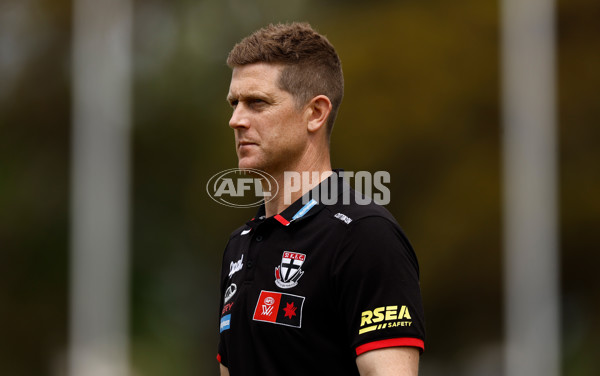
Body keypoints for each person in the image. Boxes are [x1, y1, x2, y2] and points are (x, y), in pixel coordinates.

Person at [217, 22, 425, 375]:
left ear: (315, 113)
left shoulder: (364, 236)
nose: (236, 120)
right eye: (235, 103)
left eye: (257, 103)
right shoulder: (240, 245)